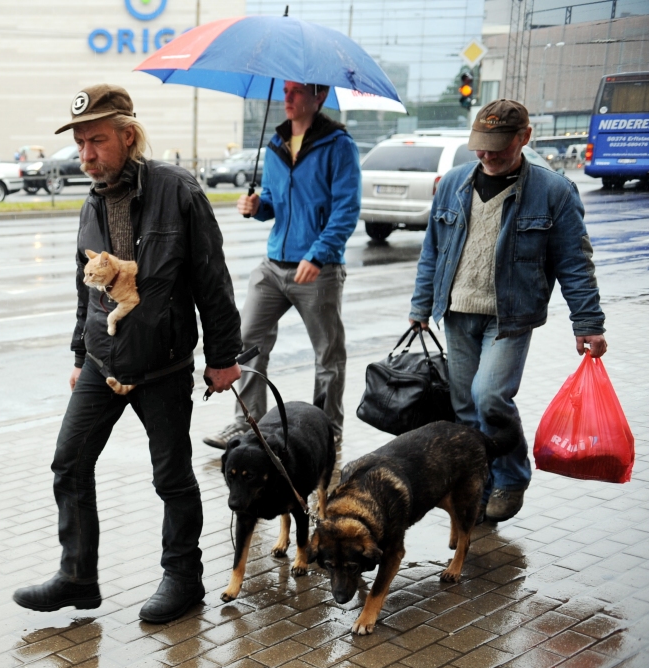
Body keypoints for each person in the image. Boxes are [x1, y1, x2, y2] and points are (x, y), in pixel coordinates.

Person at [12, 84, 243, 623]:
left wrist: (223, 355)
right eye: (80, 144)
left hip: (162, 364)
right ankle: (77, 577)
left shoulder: (177, 189)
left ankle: (184, 578)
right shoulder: (91, 203)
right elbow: (84, 286)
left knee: (172, 476)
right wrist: (78, 355)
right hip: (102, 359)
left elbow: (212, 278)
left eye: (96, 141)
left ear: (128, 136)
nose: (86, 155)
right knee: (68, 463)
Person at [409, 99, 606, 523]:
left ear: (524, 138)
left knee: (490, 397)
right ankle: (475, 486)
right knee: (464, 409)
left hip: (510, 317)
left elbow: (574, 260)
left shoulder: (553, 191)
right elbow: (433, 250)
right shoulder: (454, 183)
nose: (487, 154)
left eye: (498, 145)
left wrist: (587, 323)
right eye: (481, 145)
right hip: (457, 311)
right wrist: (420, 304)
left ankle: (512, 477)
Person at [203, 82, 361, 450]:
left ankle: (328, 429)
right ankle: (248, 423)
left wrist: (318, 255)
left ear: (318, 97)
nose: (287, 99)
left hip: (317, 269)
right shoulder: (275, 144)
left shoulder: (338, 145)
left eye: (296, 92)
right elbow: (274, 202)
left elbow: (346, 210)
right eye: (285, 91)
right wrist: (259, 208)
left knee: (328, 356)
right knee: (247, 342)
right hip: (273, 265)